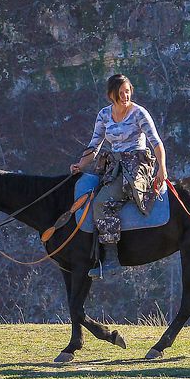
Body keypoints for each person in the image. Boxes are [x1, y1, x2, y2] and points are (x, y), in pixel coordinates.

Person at [70, 74, 168, 279]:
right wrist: (81, 164)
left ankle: (112, 259)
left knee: (100, 203)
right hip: (113, 165)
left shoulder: (139, 113)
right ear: (111, 95)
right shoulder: (104, 115)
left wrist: (162, 168)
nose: (126, 95)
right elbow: (94, 145)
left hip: (136, 165)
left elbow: (156, 142)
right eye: (121, 92)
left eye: (128, 91)